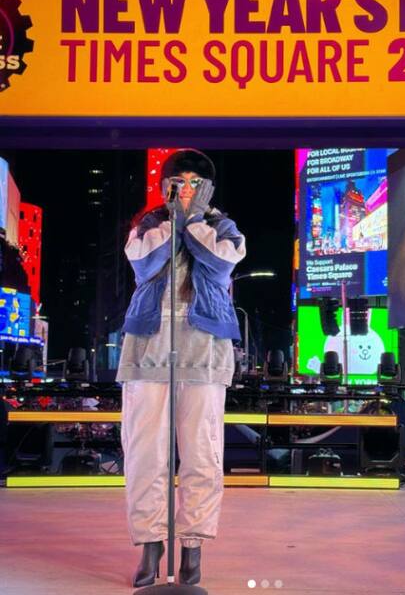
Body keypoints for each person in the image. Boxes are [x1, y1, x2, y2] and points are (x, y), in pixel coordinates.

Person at [118, 148, 246, 587]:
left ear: (207, 188)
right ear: (164, 185)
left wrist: (194, 221)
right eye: (178, 181)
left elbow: (221, 262)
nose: (186, 189)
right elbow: (144, 261)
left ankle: (193, 550)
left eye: (195, 182)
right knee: (144, 454)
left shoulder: (221, 227)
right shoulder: (149, 224)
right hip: (148, 347)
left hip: (204, 348)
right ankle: (151, 548)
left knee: (202, 453)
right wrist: (173, 219)